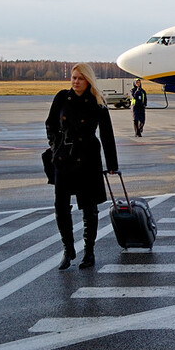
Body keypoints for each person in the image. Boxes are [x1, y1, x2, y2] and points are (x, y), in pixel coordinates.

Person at [45, 63, 118, 270]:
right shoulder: (61, 97)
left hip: (87, 158)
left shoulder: (97, 101)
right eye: (73, 78)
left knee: (89, 208)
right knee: (61, 206)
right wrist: (55, 146)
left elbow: (107, 134)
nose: (76, 81)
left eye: (80, 78)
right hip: (64, 158)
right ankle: (68, 249)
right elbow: (50, 124)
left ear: (88, 80)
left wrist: (112, 164)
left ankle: (89, 251)